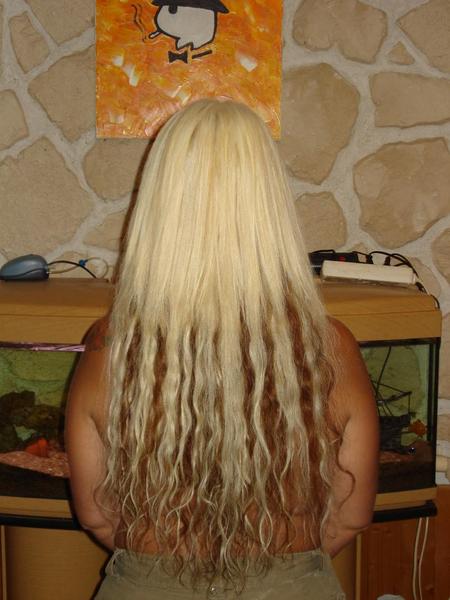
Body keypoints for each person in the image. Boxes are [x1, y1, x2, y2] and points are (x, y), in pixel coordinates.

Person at [65, 99, 379, 599]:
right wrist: (283, 575)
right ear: (270, 204)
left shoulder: (111, 344)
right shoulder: (329, 345)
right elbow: (350, 516)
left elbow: (98, 515)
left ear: (159, 204)